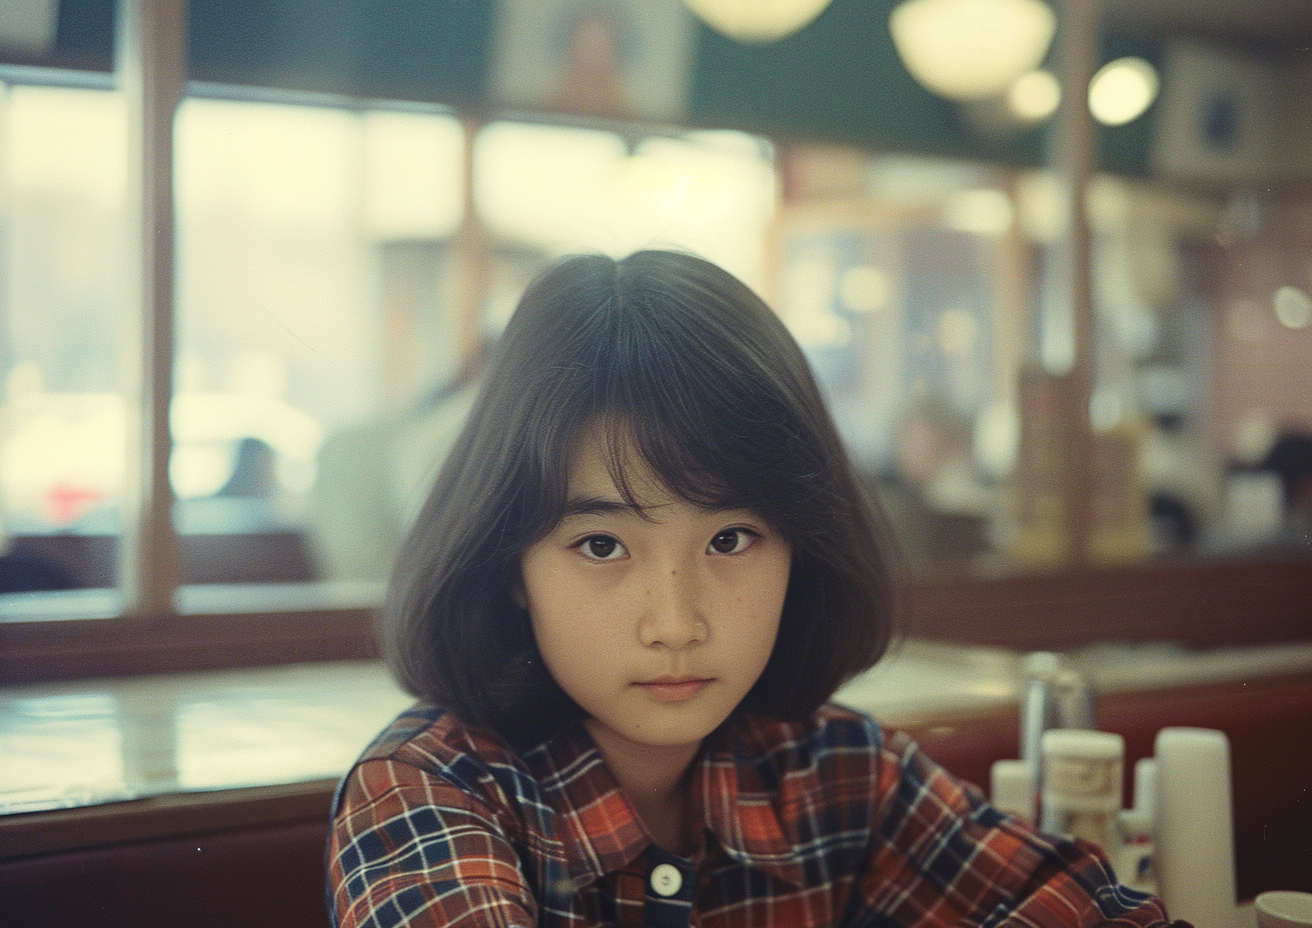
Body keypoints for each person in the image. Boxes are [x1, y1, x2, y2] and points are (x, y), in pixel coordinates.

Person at [327, 251, 1182, 927]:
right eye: (600, 544)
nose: (675, 622)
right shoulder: (428, 794)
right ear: (510, 565)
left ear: (799, 546)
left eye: (731, 539)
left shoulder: (840, 774)